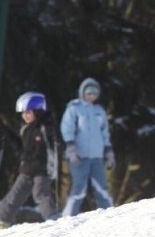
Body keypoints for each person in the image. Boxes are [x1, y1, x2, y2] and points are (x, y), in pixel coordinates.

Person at [0, 92, 59, 228]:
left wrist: (52, 130)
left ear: (38, 112)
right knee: (15, 194)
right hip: (27, 169)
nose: (25, 116)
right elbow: (21, 148)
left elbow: (55, 142)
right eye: (23, 113)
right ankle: (2, 219)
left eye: (28, 112)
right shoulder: (26, 130)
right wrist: (6, 131)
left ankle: (53, 218)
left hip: (43, 170)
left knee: (39, 193)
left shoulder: (45, 128)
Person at [60, 78, 115, 216]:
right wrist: (71, 147)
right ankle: (69, 215)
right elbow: (67, 127)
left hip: (96, 155)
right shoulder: (74, 108)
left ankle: (108, 213)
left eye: (94, 94)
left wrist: (108, 151)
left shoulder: (99, 111)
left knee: (101, 186)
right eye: (88, 93)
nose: (91, 96)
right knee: (79, 186)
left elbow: (104, 132)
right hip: (80, 155)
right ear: (82, 93)